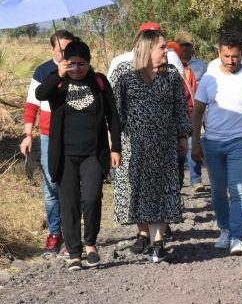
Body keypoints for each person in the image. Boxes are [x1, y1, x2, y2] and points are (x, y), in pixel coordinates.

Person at [35, 40, 121, 270]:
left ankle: (90, 243)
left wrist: (116, 148)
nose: (76, 68)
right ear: (65, 63)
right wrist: (58, 74)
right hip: (65, 155)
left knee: (92, 198)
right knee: (69, 203)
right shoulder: (58, 83)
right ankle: (74, 252)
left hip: (94, 152)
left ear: (89, 62)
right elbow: (40, 94)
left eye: (81, 64)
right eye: (71, 64)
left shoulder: (100, 82)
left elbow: (113, 116)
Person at [111, 29, 192, 263]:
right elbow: (115, 111)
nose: (167, 51)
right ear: (147, 49)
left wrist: (183, 136)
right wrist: (113, 143)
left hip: (165, 145)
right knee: (140, 193)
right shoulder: (125, 74)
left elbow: (180, 107)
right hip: (135, 146)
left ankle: (158, 243)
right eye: (162, 47)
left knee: (163, 192)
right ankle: (144, 236)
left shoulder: (172, 75)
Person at [191, 31, 242, 256]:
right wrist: (195, 142)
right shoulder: (209, 78)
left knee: (239, 190)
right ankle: (224, 230)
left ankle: (236, 237)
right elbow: (197, 112)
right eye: (226, 56)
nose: (231, 61)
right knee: (217, 191)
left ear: (241, 53)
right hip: (212, 143)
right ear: (219, 53)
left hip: (239, 142)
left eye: (235, 56)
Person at [20, 30, 74, 256]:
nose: (65, 53)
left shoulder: (78, 67)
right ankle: (54, 233)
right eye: (61, 49)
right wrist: (27, 134)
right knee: (51, 184)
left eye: (68, 48)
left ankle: (73, 236)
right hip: (48, 134)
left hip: (73, 133)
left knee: (72, 185)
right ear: (52, 49)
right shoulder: (42, 71)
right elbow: (32, 104)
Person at [174, 31, 205, 191]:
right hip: (177, 113)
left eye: (188, 46)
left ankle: (196, 180)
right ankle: (177, 185)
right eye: (182, 46)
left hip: (194, 111)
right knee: (178, 151)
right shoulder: (171, 64)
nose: (185, 49)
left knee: (193, 146)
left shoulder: (200, 66)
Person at [107, 22, 186, 79]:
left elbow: (183, 85)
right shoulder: (120, 62)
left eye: (156, 36)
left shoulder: (170, 55)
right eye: (148, 37)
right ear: (141, 40)